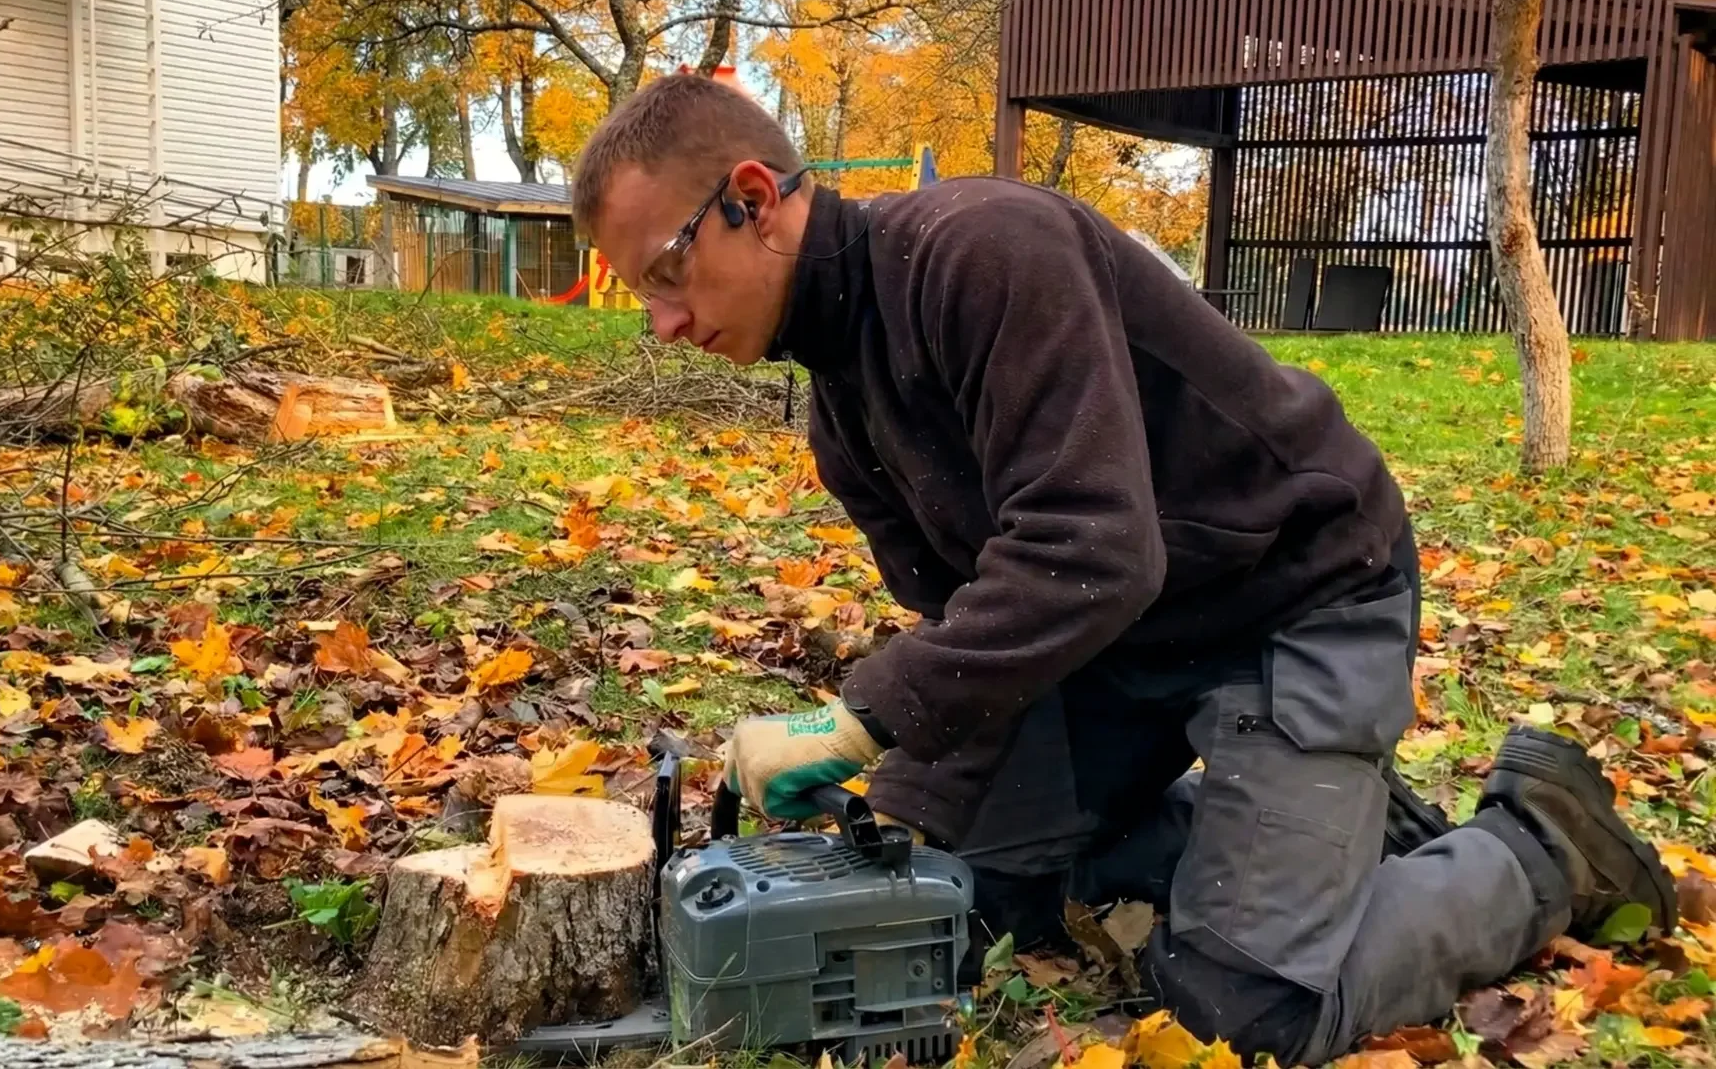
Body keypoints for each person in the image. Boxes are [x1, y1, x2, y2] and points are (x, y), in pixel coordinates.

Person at [568, 74, 1676, 1064]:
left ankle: (1538, 844)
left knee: (1242, 1002)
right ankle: (1310, 826)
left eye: (666, 270)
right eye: (640, 294)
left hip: (1295, 596)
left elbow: (1094, 543)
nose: (663, 321)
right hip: (1122, 638)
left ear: (752, 198)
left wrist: (861, 717)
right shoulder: (842, 411)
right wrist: (907, 796)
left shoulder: (980, 249)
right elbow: (979, 616)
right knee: (953, 891)